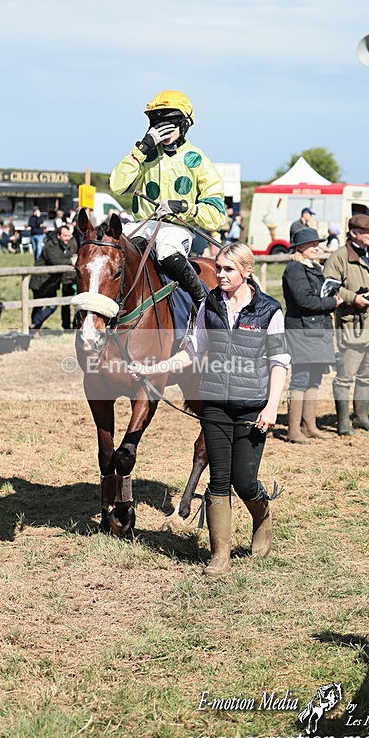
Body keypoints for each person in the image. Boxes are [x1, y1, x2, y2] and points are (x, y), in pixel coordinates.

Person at [129, 242, 289, 576]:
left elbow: (279, 361)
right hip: (215, 402)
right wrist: (157, 367)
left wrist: (272, 406)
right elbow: (192, 349)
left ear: (247, 271)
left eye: (228, 269)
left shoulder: (268, 310)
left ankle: (262, 516)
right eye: (218, 269)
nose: (220, 275)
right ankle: (220, 556)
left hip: (252, 406)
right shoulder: (209, 305)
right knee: (219, 478)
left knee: (244, 481)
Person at [110, 90, 226, 308]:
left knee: (167, 252)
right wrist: (141, 148)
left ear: (184, 124)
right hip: (143, 224)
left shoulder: (198, 160)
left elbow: (217, 216)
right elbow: (117, 185)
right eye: (157, 122)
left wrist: (183, 207)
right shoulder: (145, 156)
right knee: (108, 249)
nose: (163, 127)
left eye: (170, 121)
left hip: (176, 229)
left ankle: (204, 305)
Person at [323, 214, 369, 435]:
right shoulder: (340, 257)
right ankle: (344, 422)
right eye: (367, 231)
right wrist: (353, 298)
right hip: (353, 326)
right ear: (353, 233)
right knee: (345, 377)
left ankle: (362, 416)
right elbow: (327, 287)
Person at [282, 227, 343, 443]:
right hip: (302, 330)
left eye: (317, 243)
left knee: (315, 378)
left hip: (316, 330)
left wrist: (330, 297)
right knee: (301, 378)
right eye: (312, 244)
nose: (316, 246)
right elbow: (304, 301)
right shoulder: (294, 269)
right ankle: (293, 430)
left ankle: (310, 425)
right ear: (300, 247)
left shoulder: (313, 267)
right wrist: (331, 302)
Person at [29, 225, 78, 331]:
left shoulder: (66, 245)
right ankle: (34, 328)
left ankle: (34, 325)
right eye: (65, 235)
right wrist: (71, 261)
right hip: (41, 280)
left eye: (69, 235)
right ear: (59, 235)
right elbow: (54, 261)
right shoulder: (50, 246)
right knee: (38, 305)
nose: (68, 238)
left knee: (52, 305)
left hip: (51, 282)